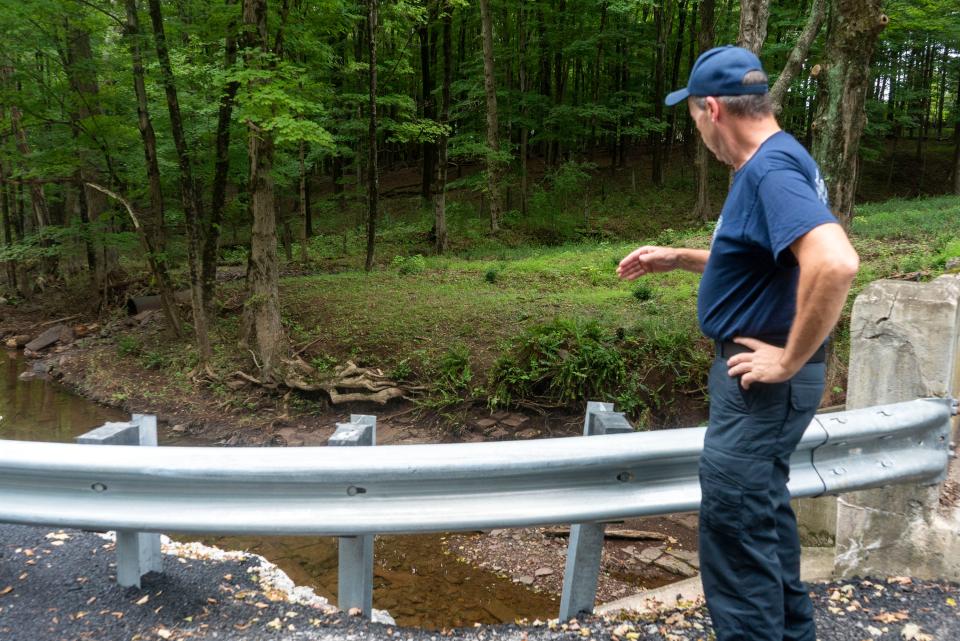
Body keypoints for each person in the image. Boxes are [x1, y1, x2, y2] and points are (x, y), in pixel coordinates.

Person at [617, 46, 859, 641]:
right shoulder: (780, 158)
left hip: (760, 384)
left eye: (694, 115)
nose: (697, 128)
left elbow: (834, 262)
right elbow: (763, 259)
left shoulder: (770, 170)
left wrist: (789, 357)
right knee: (764, 520)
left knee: (734, 535)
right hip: (766, 386)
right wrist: (681, 258)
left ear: (714, 109)